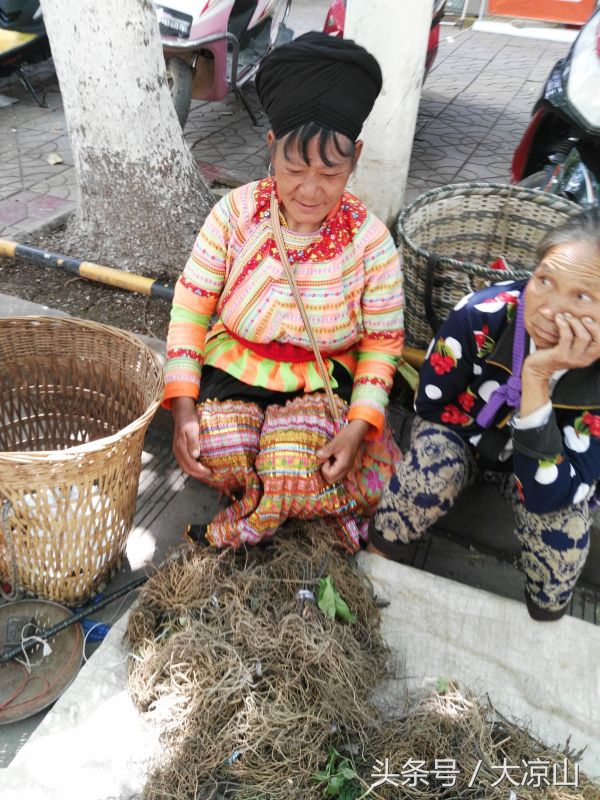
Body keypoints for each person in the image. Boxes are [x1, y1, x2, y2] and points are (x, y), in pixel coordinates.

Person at [163, 32, 404, 553]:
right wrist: (184, 410)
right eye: (294, 169)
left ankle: (258, 509)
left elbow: (383, 343)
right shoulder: (234, 214)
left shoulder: (371, 241)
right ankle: (281, 498)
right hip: (237, 372)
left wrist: (359, 426)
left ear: (355, 158)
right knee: (218, 447)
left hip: (322, 384)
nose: (311, 189)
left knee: (298, 458)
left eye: (330, 171)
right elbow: (190, 306)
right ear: (271, 148)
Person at [369, 209, 600, 622]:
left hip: (551, 473)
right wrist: (470, 443)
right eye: (544, 280)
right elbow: (432, 402)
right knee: (425, 474)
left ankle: (543, 624)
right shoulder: (482, 315)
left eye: (582, 297)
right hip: (464, 434)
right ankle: (374, 568)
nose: (549, 309)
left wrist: (536, 378)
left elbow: (550, 492)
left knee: (565, 535)